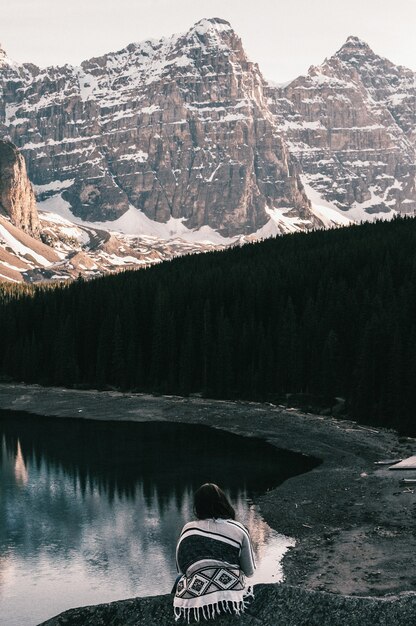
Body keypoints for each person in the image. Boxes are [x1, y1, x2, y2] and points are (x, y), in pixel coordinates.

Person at [173, 483, 256, 622]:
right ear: (224, 502)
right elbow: (249, 572)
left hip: (196, 594)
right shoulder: (239, 529)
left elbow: (181, 570)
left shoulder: (188, 529)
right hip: (230, 594)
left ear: (198, 506)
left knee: (178, 581)